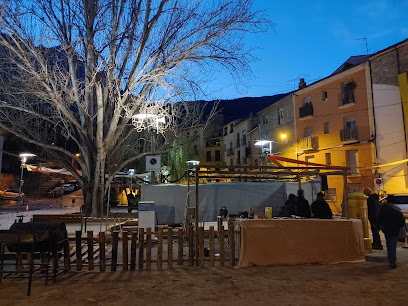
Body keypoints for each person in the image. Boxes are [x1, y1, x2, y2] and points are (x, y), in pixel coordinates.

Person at [378, 195, 406, 269]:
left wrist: (380, 226)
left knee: (389, 244)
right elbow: (401, 221)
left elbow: (379, 217)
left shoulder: (383, 208)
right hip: (394, 229)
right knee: (392, 245)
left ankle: (391, 260)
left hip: (386, 228)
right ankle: (392, 262)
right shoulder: (396, 210)